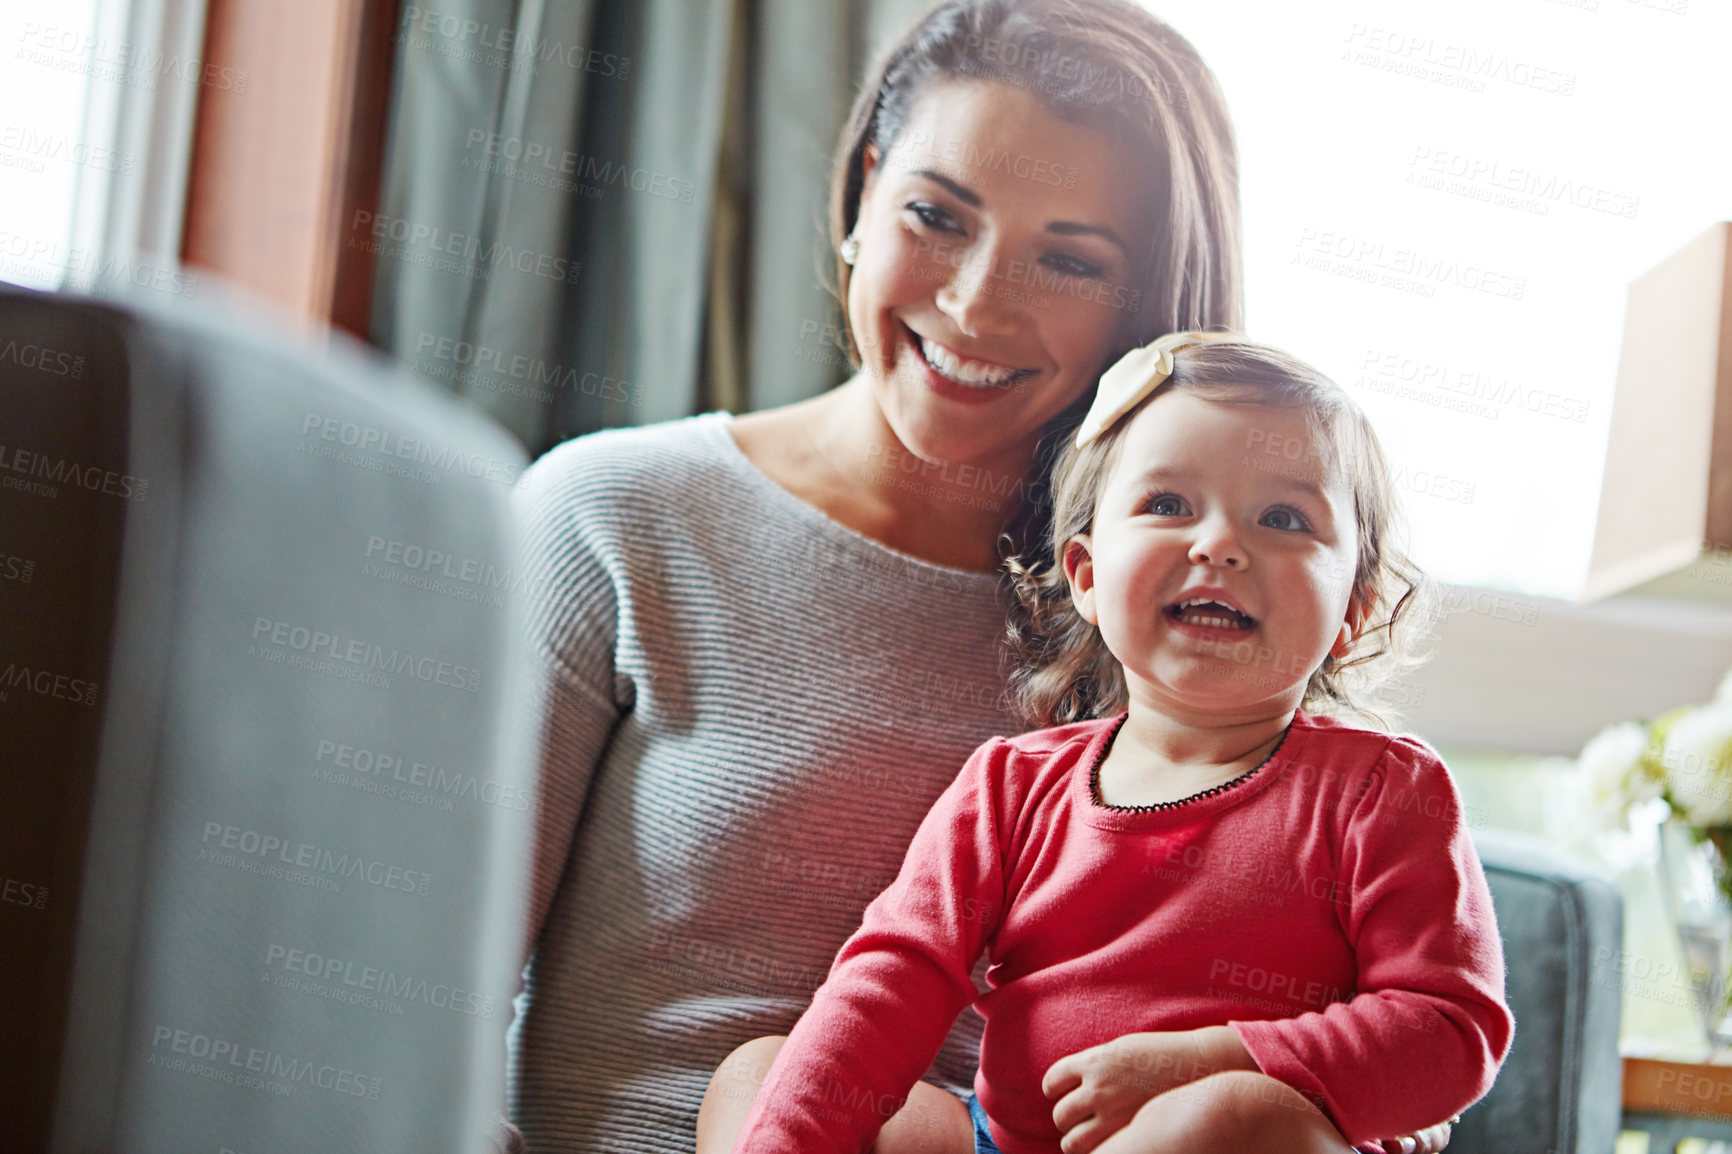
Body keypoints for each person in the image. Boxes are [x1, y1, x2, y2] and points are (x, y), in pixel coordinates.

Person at [506, 1, 1446, 1151]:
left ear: (1140, 309)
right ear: (861, 190)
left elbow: (1388, 1042)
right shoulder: (612, 517)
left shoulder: (1194, 623)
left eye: (1067, 258)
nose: (975, 302)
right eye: (934, 216)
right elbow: (403, 997)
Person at [698, 334, 1513, 1154]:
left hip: (1235, 1137)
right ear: (1086, 575)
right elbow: (893, 979)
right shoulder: (1011, 786)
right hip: (1003, 1139)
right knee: (762, 1076)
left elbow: (1450, 1031)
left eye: (1283, 518)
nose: (1220, 544)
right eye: (1167, 505)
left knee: (1233, 1118)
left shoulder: (1384, 790)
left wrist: (1213, 1062)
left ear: (1355, 613)